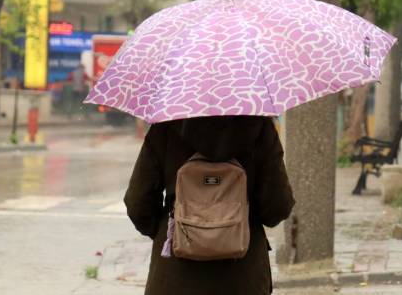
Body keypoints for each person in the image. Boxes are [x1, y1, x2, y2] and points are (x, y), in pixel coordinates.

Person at [125, 116, 295, 295]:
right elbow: (277, 207)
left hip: (174, 277)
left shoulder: (166, 126)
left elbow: (137, 203)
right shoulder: (259, 127)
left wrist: (172, 230)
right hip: (242, 277)